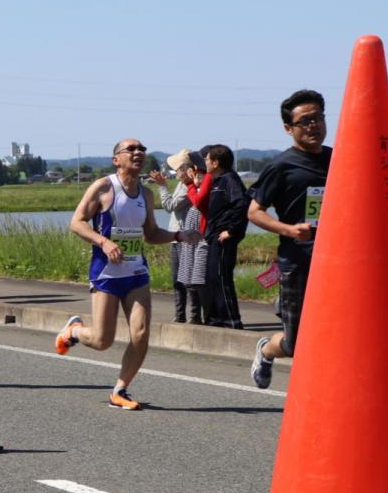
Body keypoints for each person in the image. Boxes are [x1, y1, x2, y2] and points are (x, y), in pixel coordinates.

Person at [54, 138, 200, 410]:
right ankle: (74, 330)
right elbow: (76, 223)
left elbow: (152, 233)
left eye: (142, 149)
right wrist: (104, 242)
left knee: (141, 333)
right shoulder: (104, 187)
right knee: (101, 340)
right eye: (130, 149)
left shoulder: (145, 194)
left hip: (136, 271)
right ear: (116, 159)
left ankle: (120, 390)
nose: (138, 153)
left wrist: (180, 235)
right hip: (106, 273)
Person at [246, 89, 332, 389]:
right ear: (289, 128)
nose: (313, 125)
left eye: (318, 117)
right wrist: (290, 230)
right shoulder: (282, 165)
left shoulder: (339, 158)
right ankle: (268, 348)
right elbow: (255, 212)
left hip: (335, 260)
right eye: (305, 121)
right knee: (295, 343)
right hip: (297, 261)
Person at [191, 144, 248, 328]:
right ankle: (216, 318)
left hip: (224, 237)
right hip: (213, 235)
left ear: (215, 162)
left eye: (207, 159)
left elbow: (241, 204)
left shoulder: (229, 179)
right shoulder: (218, 180)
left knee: (222, 277)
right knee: (212, 278)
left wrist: (231, 231)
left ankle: (231, 320)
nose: (205, 162)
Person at [154, 149, 205, 323]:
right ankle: (180, 315)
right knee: (176, 279)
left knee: (189, 280)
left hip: (186, 237)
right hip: (177, 237)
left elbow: (170, 206)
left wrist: (162, 187)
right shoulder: (182, 184)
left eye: (177, 169)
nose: (176, 172)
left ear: (186, 169)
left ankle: (194, 316)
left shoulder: (190, 186)